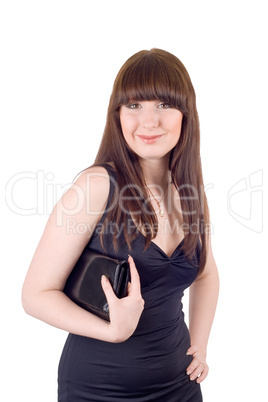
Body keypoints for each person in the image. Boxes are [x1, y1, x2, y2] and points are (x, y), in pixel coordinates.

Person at [22, 48, 219, 401]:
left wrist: (199, 346)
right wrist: (112, 330)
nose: (149, 121)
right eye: (134, 106)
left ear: (185, 114)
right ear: (117, 114)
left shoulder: (190, 193)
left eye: (164, 105)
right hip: (100, 388)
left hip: (179, 385)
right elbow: (36, 296)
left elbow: (205, 274)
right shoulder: (97, 186)